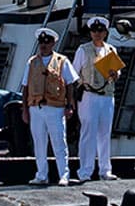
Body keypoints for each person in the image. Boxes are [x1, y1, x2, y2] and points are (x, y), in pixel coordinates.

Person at [20, 27, 76, 186]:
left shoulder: (62, 61)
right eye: (41, 42)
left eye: (47, 42)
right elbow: (25, 87)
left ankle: (63, 174)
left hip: (55, 107)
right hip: (36, 108)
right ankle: (41, 174)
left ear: (53, 43)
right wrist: (25, 109)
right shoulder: (32, 62)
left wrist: (69, 105)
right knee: (39, 143)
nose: (43, 45)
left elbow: (70, 84)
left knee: (59, 142)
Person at [72, 17, 123, 182]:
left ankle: (105, 170)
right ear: (90, 32)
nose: (97, 34)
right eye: (94, 31)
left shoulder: (111, 50)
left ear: (105, 32)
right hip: (89, 95)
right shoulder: (83, 50)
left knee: (105, 133)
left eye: (100, 31)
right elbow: (74, 73)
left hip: (107, 96)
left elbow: (117, 73)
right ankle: (85, 171)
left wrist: (115, 73)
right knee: (88, 133)